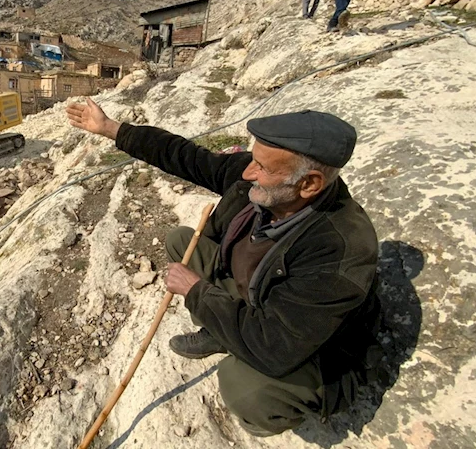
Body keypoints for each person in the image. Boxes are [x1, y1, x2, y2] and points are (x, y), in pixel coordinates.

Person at [66, 99, 383, 437]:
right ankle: (224, 331)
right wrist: (110, 128)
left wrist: (197, 293)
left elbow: (275, 345)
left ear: (309, 184)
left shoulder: (339, 249)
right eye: (253, 160)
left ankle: (265, 388)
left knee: (244, 388)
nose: (247, 173)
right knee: (182, 242)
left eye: (262, 167)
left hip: (309, 347)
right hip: (255, 298)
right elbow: (185, 156)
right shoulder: (268, 183)